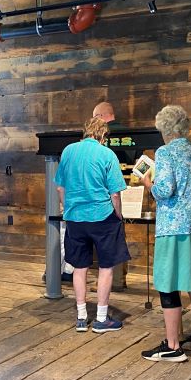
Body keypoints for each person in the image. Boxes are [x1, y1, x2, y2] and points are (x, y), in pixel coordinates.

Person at [140, 105, 191, 362]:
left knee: (168, 284)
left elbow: (165, 190)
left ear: (166, 129)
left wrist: (148, 184)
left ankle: (172, 346)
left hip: (173, 229)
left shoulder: (165, 152)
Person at [54, 116, 129, 333]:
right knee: (106, 267)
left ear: (85, 131)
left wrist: (68, 209)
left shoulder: (68, 151)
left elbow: (60, 188)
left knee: (80, 267)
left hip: (75, 217)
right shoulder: (107, 154)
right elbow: (114, 192)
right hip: (102, 216)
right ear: (103, 135)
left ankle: (81, 317)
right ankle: (102, 319)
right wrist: (119, 215)